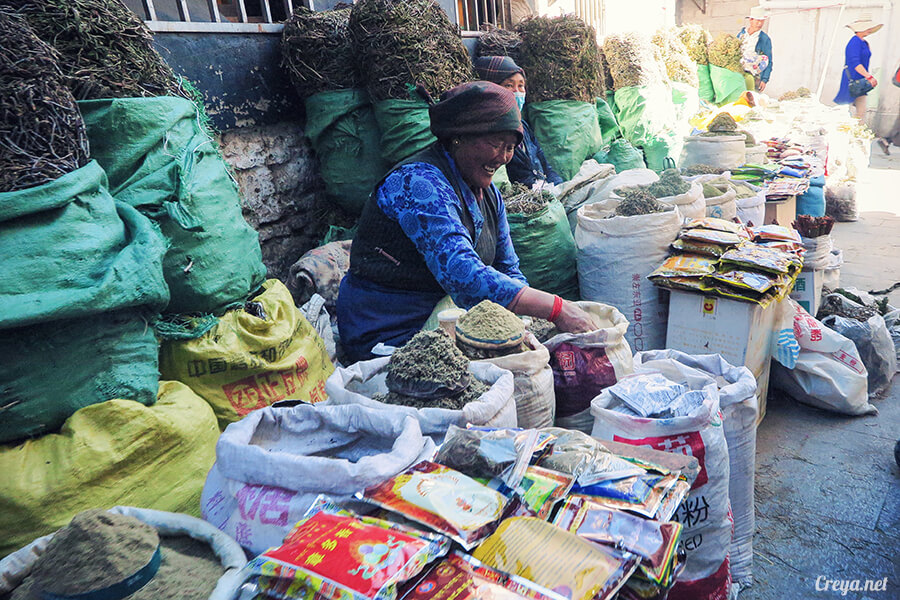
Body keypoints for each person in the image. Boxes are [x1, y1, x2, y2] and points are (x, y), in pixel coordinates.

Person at [336, 81, 594, 362]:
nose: (503, 157)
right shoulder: (417, 183)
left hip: (446, 315)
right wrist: (556, 308)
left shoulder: (490, 196)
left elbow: (508, 267)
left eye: (510, 147)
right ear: (458, 137)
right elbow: (463, 273)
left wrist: (524, 322)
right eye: (495, 144)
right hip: (388, 327)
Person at [472, 55, 564, 188]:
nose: (517, 92)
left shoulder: (523, 126)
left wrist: (559, 187)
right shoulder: (489, 129)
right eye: (509, 85)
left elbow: (545, 165)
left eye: (521, 86)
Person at [834, 14, 883, 120]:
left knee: (861, 111)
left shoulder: (864, 43)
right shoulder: (854, 42)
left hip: (861, 80)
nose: (869, 29)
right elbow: (855, 63)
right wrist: (869, 77)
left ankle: (858, 129)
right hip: (852, 79)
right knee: (844, 111)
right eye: (867, 27)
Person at [737, 6, 773, 93]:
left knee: (751, 96)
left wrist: (764, 80)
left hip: (754, 75)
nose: (760, 24)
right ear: (751, 20)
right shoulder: (742, 34)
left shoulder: (764, 39)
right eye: (758, 20)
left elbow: (769, 60)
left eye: (762, 21)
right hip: (738, 72)